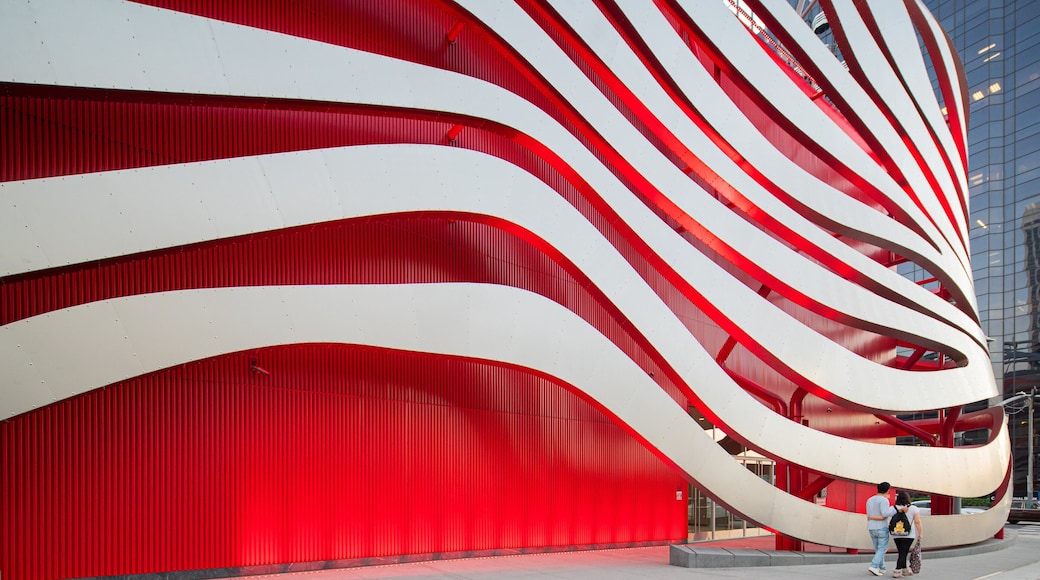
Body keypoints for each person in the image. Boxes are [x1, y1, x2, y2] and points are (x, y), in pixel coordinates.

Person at [865, 482, 905, 576]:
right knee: (882, 548)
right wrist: (894, 509)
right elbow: (885, 514)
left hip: (871, 526)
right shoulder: (884, 500)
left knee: (878, 549)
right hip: (881, 526)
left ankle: (882, 567)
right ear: (887, 490)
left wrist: (872, 517)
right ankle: (874, 566)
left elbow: (869, 515)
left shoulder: (870, 500)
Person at [892, 491, 923, 577]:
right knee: (903, 552)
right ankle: (897, 570)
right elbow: (917, 522)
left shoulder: (894, 508)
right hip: (908, 534)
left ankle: (904, 569)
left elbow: (886, 514)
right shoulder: (913, 508)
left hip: (896, 533)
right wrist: (920, 533)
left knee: (902, 551)